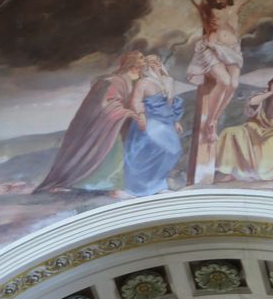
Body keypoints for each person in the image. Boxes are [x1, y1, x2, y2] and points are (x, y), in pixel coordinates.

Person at [175, 0, 273, 142]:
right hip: (212, 49)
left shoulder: (234, 9)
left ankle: (214, 119)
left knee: (233, 84)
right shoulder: (206, 10)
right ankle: (209, 123)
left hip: (233, 50)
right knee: (224, 81)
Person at [35, 51, 146, 197]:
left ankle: (133, 184)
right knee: (114, 148)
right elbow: (108, 103)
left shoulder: (142, 79)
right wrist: (126, 112)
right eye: (141, 57)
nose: (144, 59)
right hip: (108, 123)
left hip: (128, 123)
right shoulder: (117, 80)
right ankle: (113, 188)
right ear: (132, 61)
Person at [123, 55, 185, 196]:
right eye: (151, 61)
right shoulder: (143, 82)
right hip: (150, 120)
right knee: (151, 152)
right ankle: (143, 187)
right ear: (146, 66)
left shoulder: (168, 81)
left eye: (157, 60)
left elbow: (172, 103)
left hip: (167, 121)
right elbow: (136, 101)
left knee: (174, 150)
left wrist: (176, 121)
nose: (156, 63)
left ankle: (158, 183)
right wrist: (141, 116)